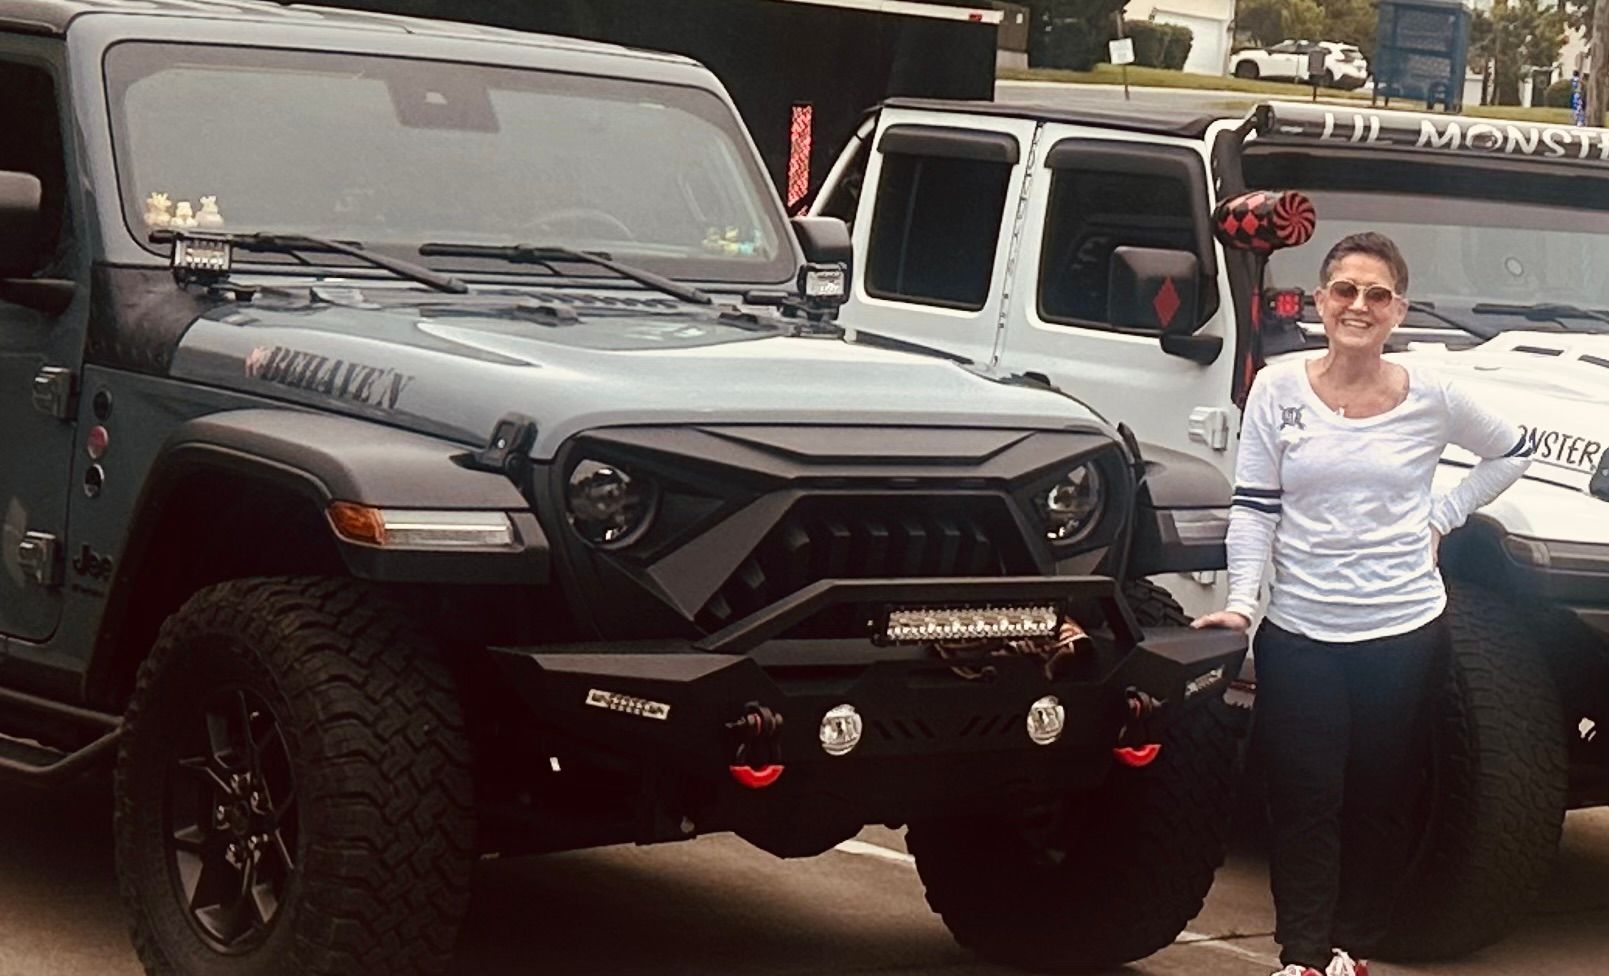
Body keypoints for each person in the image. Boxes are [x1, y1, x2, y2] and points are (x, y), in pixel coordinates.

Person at [1191, 232, 1534, 976]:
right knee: (1305, 797)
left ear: (1397, 311)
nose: (1358, 305)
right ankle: (1302, 958)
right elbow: (1253, 508)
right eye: (1344, 290)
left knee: (1377, 799)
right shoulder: (1277, 389)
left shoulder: (1432, 396)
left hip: (1402, 632)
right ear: (1319, 301)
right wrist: (1243, 608)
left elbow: (1512, 451)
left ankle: (1352, 948)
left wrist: (1442, 515)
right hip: (1301, 632)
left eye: (1376, 294)